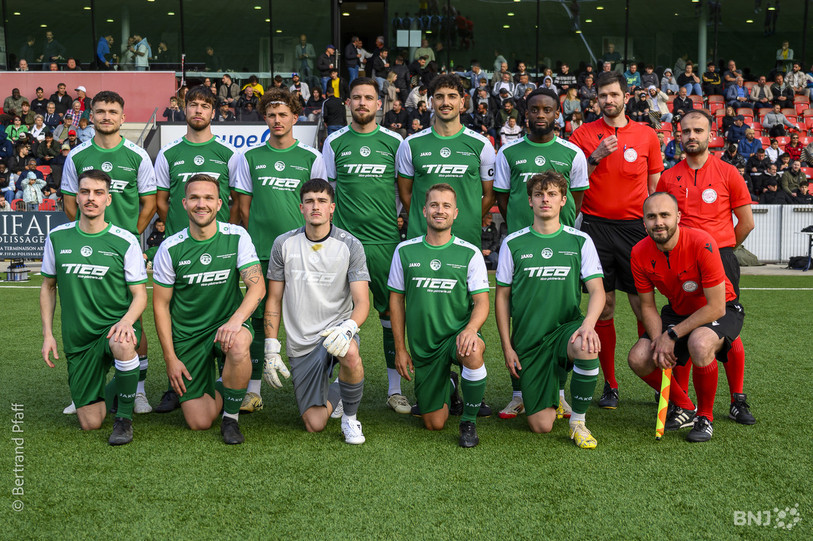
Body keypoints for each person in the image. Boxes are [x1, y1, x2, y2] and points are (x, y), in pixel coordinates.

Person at [569, 71, 663, 410]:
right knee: (604, 306)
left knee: (643, 305)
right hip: (595, 228)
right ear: (596, 99)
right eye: (603, 96)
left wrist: (655, 228)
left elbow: (655, 189)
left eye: (614, 94)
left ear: (626, 96)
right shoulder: (582, 134)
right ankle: (611, 384)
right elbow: (573, 184)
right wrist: (595, 157)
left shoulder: (647, 135)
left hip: (636, 230)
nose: (609, 100)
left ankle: (657, 376)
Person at [60, 90, 157, 415]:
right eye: (100, 111)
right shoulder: (77, 156)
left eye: (112, 111)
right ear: (92, 115)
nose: (106, 116)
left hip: (123, 251)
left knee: (134, 320)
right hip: (88, 249)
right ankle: (85, 391)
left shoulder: (138, 155)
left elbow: (150, 202)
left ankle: (138, 391)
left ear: (122, 117)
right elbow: (70, 203)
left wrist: (129, 237)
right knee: (86, 316)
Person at [152, 85, 247, 412]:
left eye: (204, 106)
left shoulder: (228, 154)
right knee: (179, 316)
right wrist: (183, 231)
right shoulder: (168, 153)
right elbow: (162, 202)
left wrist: (220, 232)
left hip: (217, 248)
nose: (198, 111)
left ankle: (224, 379)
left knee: (223, 308)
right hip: (180, 251)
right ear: (183, 108)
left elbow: (235, 204)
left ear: (213, 111)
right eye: (193, 105)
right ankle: (173, 385)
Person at [657, 109, 755, 426]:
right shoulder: (669, 178)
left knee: (725, 326)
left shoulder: (728, 173)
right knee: (686, 322)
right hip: (683, 263)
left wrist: (721, 249)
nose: (692, 136)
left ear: (710, 135)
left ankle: (737, 399)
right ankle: (682, 404)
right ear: (678, 135)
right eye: (686, 131)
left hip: (721, 259)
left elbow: (747, 223)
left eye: (698, 131)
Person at [495, 171, 604, 447]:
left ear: (563, 201)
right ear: (529, 201)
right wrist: (508, 347)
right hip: (529, 342)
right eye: (539, 195)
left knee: (586, 345)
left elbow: (597, 291)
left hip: (565, 330)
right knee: (541, 426)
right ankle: (552, 396)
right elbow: (502, 298)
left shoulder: (580, 241)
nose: (545, 199)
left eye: (552, 194)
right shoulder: (513, 243)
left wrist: (588, 324)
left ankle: (577, 421)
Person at [153, 174, 264, 444]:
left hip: (228, 325)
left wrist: (236, 321)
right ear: (184, 203)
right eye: (194, 198)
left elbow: (257, 288)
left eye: (208, 198)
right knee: (199, 422)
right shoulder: (169, 247)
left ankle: (231, 419)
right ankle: (223, 384)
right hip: (188, 335)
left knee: (238, 345)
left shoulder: (237, 236)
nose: (201, 204)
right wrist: (170, 358)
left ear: (219, 204)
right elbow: (160, 306)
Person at [234, 88, 325, 413]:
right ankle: (253, 391)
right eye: (271, 114)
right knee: (258, 320)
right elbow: (243, 208)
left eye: (283, 114)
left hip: (303, 253)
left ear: (295, 117)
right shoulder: (249, 157)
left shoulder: (312, 158)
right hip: (260, 252)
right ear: (265, 117)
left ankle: (316, 386)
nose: (276, 120)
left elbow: (321, 208)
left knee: (310, 319)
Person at [40, 169, 148, 445]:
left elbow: (139, 294)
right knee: (91, 422)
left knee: (123, 344)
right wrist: (48, 335)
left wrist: (127, 322)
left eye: (98, 193)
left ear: (108, 200)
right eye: (85, 192)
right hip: (79, 339)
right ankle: (112, 391)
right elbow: (48, 287)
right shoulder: (57, 237)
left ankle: (124, 419)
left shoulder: (125, 240)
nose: (91, 198)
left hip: (114, 326)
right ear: (76, 196)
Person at [320, 78, 408, 415]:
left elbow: (402, 192)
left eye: (368, 98)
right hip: (343, 244)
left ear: (379, 105)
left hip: (385, 242)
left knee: (390, 315)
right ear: (348, 104)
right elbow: (328, 193)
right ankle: (336, 393)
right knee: (337, 317)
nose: (361, 103)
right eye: (355, 97)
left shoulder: (394, 142)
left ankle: (395, 390)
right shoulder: (335, 142)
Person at [628, 192, 745, 442]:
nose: (659, 222)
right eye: (651, 217)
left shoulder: (702, 242)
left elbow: (716, 307)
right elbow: (647, 306)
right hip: (678, 310)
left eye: (665, 215)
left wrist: (672, 334)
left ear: (678, 217)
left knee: (700, 343)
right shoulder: (638, 252)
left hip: (720, 307)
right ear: (644, 223)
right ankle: (684, 406)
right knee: (639, 357)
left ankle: (705, 416)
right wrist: (658, 338)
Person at [264, 179, 369, 444]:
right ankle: (340, 391)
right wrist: (271, 346)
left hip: (336, 330)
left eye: (322, 201)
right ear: (301, 207)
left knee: (351, 352)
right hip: (302, 343)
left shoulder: (350, 245)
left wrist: (347, 329)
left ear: (332, 207)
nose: (315, 207)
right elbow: (274, 299)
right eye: (309, 201)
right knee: (315, 423)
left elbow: (362, 302)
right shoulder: (283, 244)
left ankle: (350, 419)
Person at [388, 183, 490, 447]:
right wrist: (400, 349)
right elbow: (396, 301)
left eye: (446, 206)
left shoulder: (470, 253)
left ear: (455, 213)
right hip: (426, 347)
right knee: (434, 423)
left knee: (472, 350)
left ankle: (469, 421)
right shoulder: (405, 251)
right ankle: (451, 387)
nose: (439, 211)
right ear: (424, 211)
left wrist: (470, 329)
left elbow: (481, 302)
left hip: (458, 336)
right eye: (434, 205)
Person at [397, 74, 495, 249]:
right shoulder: (410, 144)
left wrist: (470, 219)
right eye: (439, 97)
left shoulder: (482, 145)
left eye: (452, 96)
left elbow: (490, 194)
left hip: (466, 238)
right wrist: (424, 218)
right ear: (431, 102)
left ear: (462, 103)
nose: (445, 102)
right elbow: (405, 193)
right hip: (422, 237)